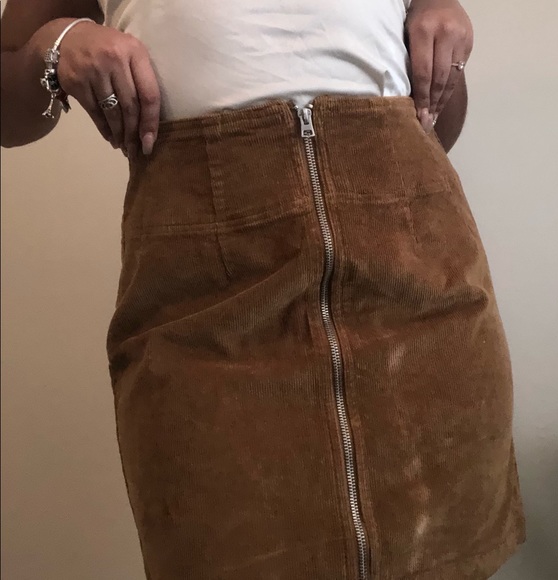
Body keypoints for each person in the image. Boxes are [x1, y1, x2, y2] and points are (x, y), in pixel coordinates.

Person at [1, 1, 527, 579]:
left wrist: (441, 31)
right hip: (205, 322)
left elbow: (432, 129)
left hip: (425, 299)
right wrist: (57, 43)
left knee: (444, 556)